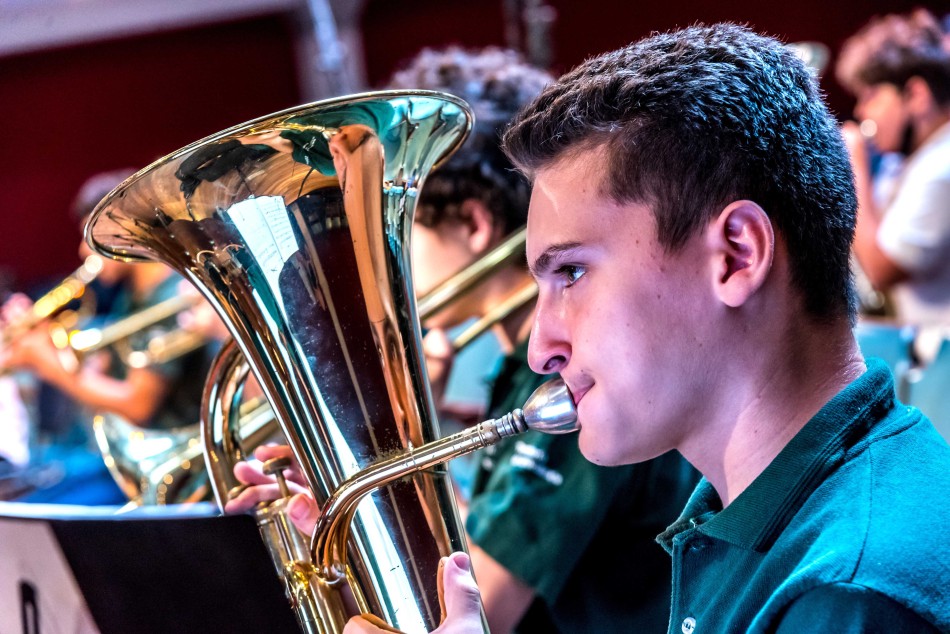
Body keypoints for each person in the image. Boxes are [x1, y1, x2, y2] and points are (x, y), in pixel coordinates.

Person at [348, 22, 950, 634]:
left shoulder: (843, 597)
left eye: (573, 273)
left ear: (735, 256)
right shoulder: (751, 512)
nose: (540, 348)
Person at [227, 47, 699, 633]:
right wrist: (365, 492)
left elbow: (482, 607)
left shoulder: (579, 378)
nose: (382, 252)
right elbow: (478, 534)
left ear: (474, 225)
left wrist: (386, 451)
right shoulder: (522, 366)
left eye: (404, 224)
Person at [0, 169, 217, 504]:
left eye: (91, 234)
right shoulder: (132, 296)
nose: (84, 251)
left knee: (29, 510)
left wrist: (47, 362)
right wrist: (44, 345)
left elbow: (138, 403)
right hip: (124, 455)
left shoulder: (173, 296)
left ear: (125, 226)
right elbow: (97, 374)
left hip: (167, 467)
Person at [836, 10, 950, 343]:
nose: (860, 112)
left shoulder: (942, 167)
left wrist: (853, 166)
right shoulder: (905, 160)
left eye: (870, 96)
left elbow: (881, 269)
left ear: (916, 95)